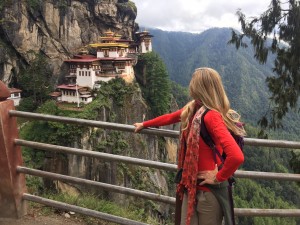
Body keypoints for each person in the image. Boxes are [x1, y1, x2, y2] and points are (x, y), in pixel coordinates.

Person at [134, 67, 246, 225]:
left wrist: (218, 177)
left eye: (193, 82)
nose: (190, 85)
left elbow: (237, 156)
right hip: (190, 186)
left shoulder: (211, 116)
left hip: (208, 193)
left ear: (199, 87)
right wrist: (144, 124)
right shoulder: (194, 108)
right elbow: (171, 117)